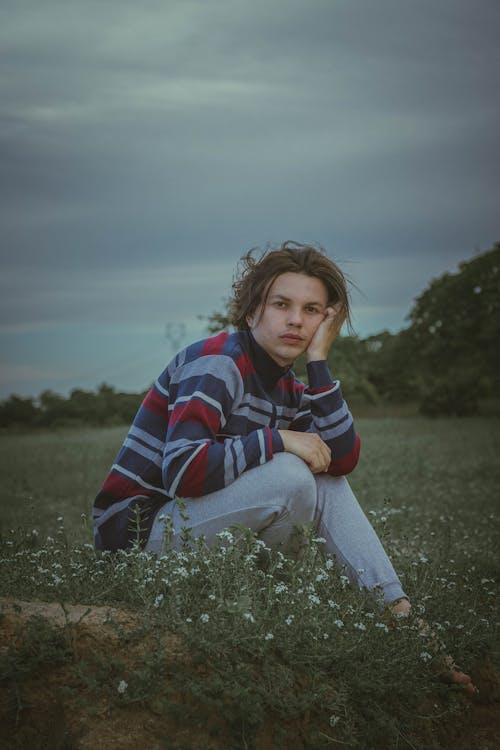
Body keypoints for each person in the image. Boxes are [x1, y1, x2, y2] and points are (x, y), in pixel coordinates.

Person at [93, 241, 475, 691]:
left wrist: (319, 364)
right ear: (253, 311)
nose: (296, 319)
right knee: (293, 472)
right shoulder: (218, 361)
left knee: (319, 477)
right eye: (282, 304)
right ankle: (268, 615)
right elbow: (183, 472)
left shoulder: (288, 387)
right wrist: (277, 440)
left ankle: (406, 623)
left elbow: (342, 460)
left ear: (324, 323)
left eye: (312, 309)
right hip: (136, 534)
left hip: (193, 530)